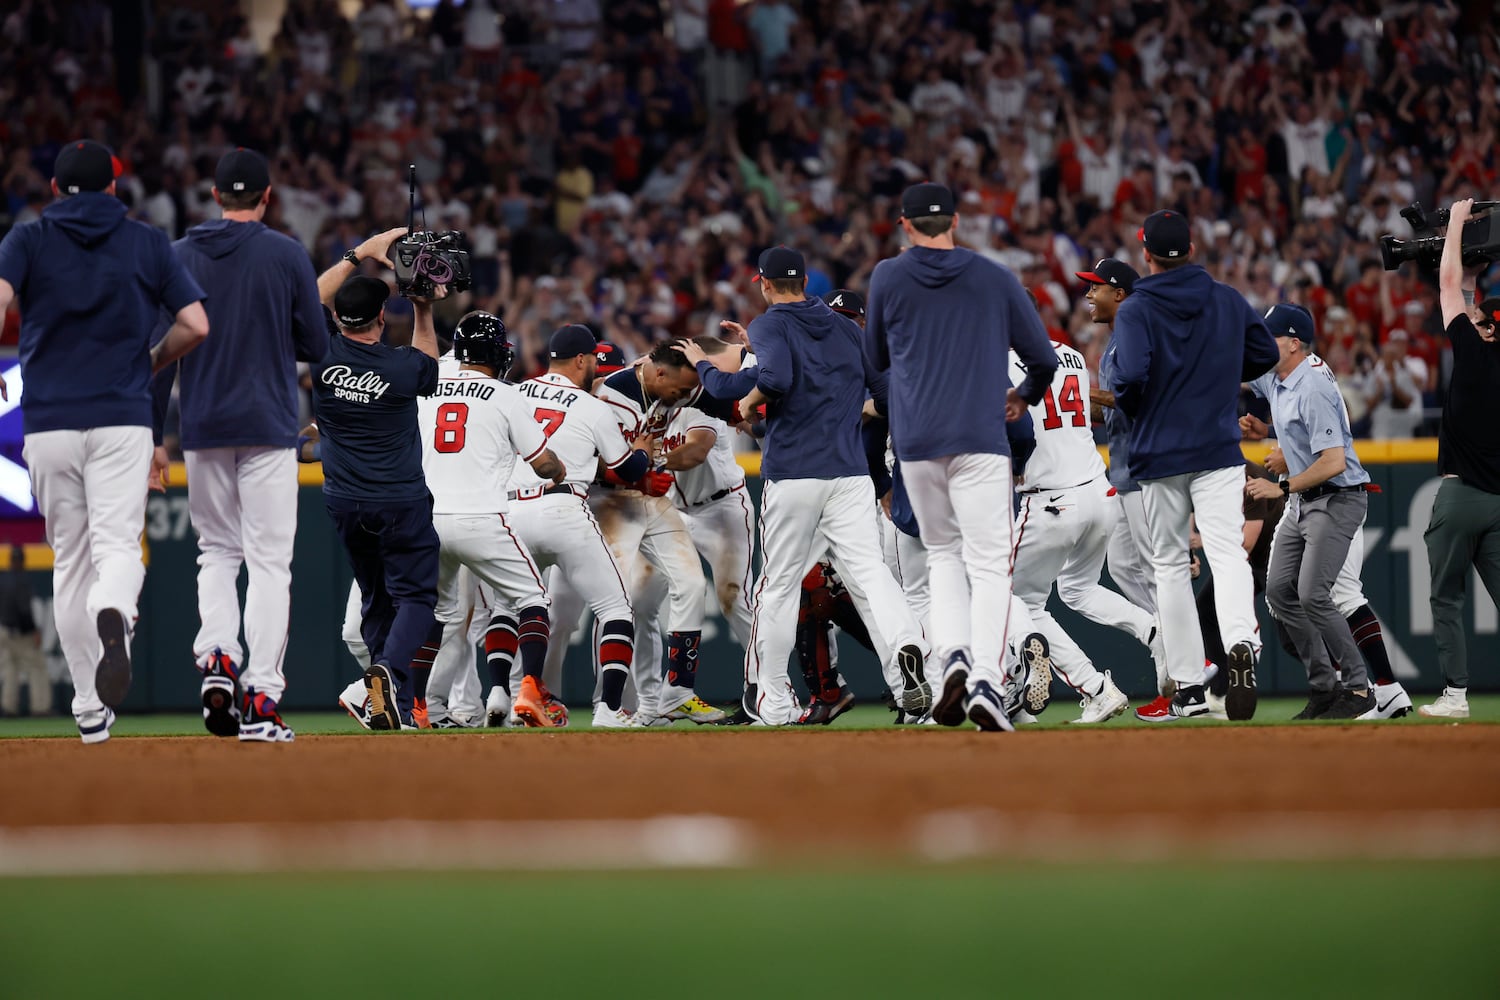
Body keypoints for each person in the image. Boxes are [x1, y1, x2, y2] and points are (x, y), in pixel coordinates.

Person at [0, 140, 210, 744]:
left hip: (48, 421)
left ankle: (90, 712)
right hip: (121, 415)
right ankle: (111, 612)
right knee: (117, 547)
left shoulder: (29, 238)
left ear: (56, 189)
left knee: (69, 561)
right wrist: (150, 361)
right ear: (114, 188)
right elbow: (196, 323)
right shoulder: (145, 240)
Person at [686, 244, 929, 726]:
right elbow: (883, 392)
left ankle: (772, 699)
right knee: (870, 576)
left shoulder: (771, 323)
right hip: (850, 473)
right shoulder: (843, 326)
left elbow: (771, 380)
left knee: (776, 588)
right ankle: (907, 661)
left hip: (796, 473)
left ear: (764, 283)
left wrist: (704, 366)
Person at [862, 183, 1058, 730]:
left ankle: (952, 658)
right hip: (980, 435)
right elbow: (1041, 358)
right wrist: (1024, 398)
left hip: (917, 440)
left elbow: (874, 354)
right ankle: (987, 684)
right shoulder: (994, 275)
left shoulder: (888, 276)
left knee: (944, 555)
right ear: (954, 220)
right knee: (989, 567)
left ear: (905, 225)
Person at [150, 148, 328, 743]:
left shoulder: (178, 255)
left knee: (217, 554)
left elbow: (158, 356)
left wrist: (155, 440)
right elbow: (317, 345)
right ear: (267, 196)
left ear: (215, 194)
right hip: (269, 424)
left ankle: (218, 659)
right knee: (270, 564)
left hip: (202, 428)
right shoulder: (285, 253)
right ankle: (262, 697)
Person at [416, 311, 567, 728]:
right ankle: (532, 690)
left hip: (429, 520)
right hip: (482, 516)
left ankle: (415, 703)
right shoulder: (506, 395)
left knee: (437, 614)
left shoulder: (425, 389)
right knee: (533, 600)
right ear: (497, 353)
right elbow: (542, 463)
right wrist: (559, 471)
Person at [311, 251, 442, 731]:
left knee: (375, 598)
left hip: (345, 502)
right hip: (400, 500)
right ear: (383, 317)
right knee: (416, 599)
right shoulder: (402, 366)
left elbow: (311, 298)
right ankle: (387, 672)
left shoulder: (322, 352)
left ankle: (392, 708)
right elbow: (429, 363)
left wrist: (359, 252)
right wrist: (424, 307)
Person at [505, 324, 652, 728]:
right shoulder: (592, 407)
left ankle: (511, 695)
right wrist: (642, 450)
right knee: (616, 609)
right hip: (564, 509)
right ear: (583, 360)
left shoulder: (515, 392)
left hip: (512, 513)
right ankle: (607, 709)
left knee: (513, 610)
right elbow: (627, 469)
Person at [1242, 304, 1376, 720]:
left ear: (1294, 343)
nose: (1262, 345)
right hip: (1305, 500)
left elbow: (1334, 461)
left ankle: (1359, 688)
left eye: (1270, 338)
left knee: (1314, 593)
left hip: (1337, 496)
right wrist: (1267, 431)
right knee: (1280, 592)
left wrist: (1279, 485)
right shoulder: (1280, 371)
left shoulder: (1313, 385)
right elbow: (1240, 373)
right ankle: (1323, 686)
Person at [594, 343, 728, 723]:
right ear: (660, 374)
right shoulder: (613, 398)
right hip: (608, 501)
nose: (683, 398)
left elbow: (722, 399)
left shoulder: (669, 384)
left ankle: (678, 692)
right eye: (680, 390)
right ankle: (608, 705)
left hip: (648, 500)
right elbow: (590, 458)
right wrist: (638, 469)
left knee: (691, 584)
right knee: (618, 600)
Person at [1420, 197, 1500, 720]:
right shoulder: (1488, 346)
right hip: (1499, 503)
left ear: (1488, 329)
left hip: (1460, 497)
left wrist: (1453, 224)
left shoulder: (1473, 351)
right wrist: (1474, 269)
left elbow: (1450, 290)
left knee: (1447, 599)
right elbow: (1464, 294)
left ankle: (1455, 695)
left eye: (1481, 318)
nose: (1472, 318)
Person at [0, 545, 49, 716]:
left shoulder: (3, 579)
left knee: (10, 670)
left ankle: (8, 707)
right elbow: (24, 610)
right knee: (37, 667)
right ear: (22, 561)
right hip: (20, 632)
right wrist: (33, 631)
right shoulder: (21, 580)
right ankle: (40, 707)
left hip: (4, 631)